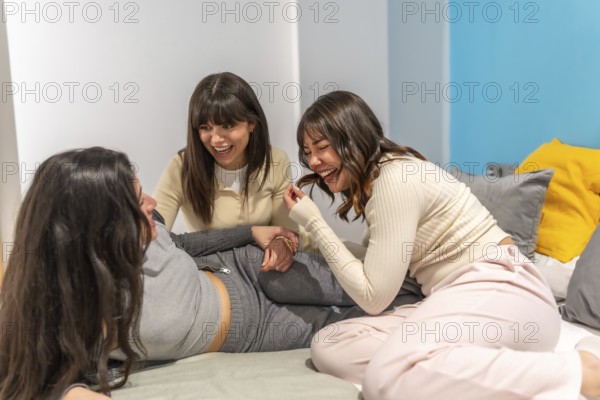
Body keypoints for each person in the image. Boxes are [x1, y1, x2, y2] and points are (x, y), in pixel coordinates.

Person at [0, 147, 422, 400]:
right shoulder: (80, 309)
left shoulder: (145, 233)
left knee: (374, 282)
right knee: (372, 318)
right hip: (250, 328)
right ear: (96, 223)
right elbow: (38, 375)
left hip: (245, 268)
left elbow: (181, 244)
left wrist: (250, 232)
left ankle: (454, 275)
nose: (151, 203)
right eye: (135, 199)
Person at [282, 90, 600, 400]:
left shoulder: (395, 179)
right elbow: (377, 270)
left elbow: (373, 297)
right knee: (330, 343)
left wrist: (314, 222)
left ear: (352, 139)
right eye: (307, 152)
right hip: (455, 295)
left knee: (385, 378)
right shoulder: (384, 179)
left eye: (321, 147)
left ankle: (576, 370)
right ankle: (433, 368)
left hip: (504, 289)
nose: (313, 161)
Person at [154, 72, 311, 251]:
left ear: (252, 123)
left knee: (344, 256)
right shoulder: (181, 167)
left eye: (228, 126)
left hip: (269, 261)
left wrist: (280, 248)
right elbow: (153, 234)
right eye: (206, 128)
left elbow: (286, 234)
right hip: (216, 268)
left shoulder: (275, 160)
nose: (216, 140)